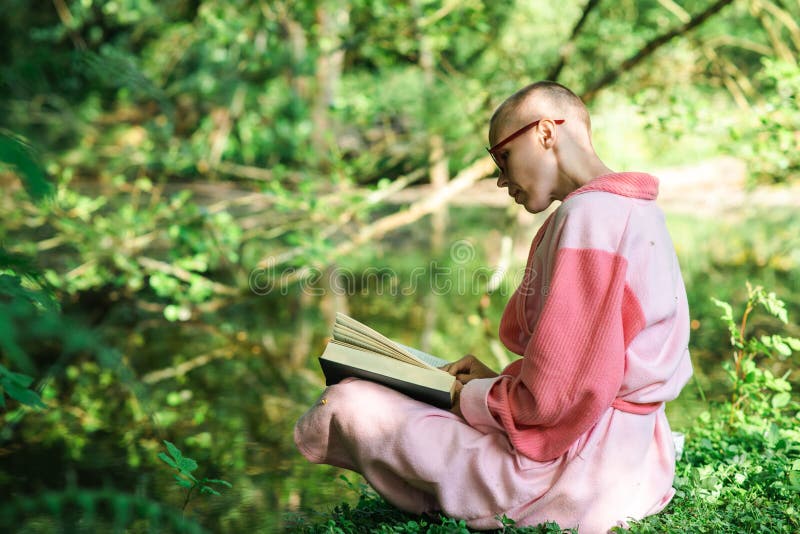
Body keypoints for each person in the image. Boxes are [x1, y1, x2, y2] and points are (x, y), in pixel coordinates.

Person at [294, 81, 693, 532]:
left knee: (349, 403)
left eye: (501, 157)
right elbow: (592, 367)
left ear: (545, 132)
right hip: (633, 459)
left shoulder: (591, 218)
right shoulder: (636, 209)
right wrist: (499, 381)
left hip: (577, 473)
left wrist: (469, 396)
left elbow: (554, 401)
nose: (501, 179)